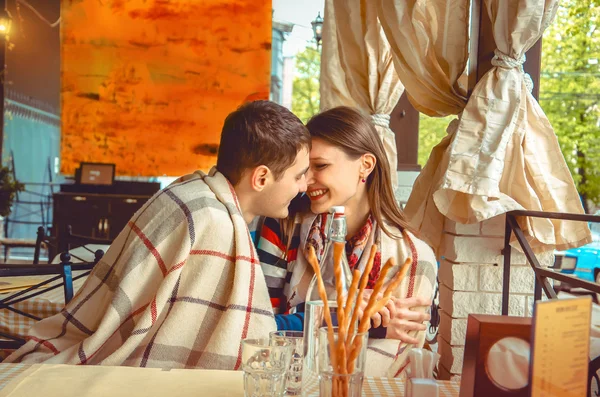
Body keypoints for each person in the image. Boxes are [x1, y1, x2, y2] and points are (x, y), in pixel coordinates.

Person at [5, 101, 311, 369]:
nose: (303, 187)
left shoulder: (193, 191)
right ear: (260, 178)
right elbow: (211, 351)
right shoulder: (214, 222)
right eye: (298, 176)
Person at [254, 106, 437, 377]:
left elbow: (393, 356)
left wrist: (325, 320)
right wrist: (356, 317)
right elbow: (258, 327)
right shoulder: (282, 225)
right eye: (303, 170)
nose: (305, 182)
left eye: (321, 166)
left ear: (365, 165)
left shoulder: (413, 256)